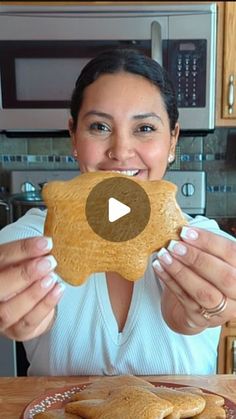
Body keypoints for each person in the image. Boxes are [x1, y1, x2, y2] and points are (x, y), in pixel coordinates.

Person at [0, 48, 235, 376]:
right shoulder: (31, 240)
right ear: (74, 135)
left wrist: (208, 312)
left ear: (172, 140)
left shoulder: (210, 250)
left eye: (145, 128)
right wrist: (28, 309)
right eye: (99, 126)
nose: (121, 150)